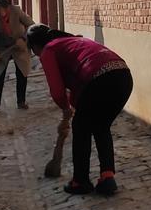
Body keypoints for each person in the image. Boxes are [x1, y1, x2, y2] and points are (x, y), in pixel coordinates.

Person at [26, 24, 133, 195]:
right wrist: (72, 105)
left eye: (33, 50)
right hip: (123, 77)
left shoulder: (49, 50)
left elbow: (57, 91)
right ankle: (107, 176)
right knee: (100, 126)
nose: (36, 54)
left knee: (81, 127)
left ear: (35, 46)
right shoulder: (74, 40)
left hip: (99, 80)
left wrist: (65, 108)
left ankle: (80, 181)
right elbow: (78, 87)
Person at [0, 0, 34, 113]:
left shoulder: (16, 11)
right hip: (3, 48)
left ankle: (21, 102)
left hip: (19, 45)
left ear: (7, 8)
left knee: (22, 72)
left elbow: (31, 25)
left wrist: (23, 38)